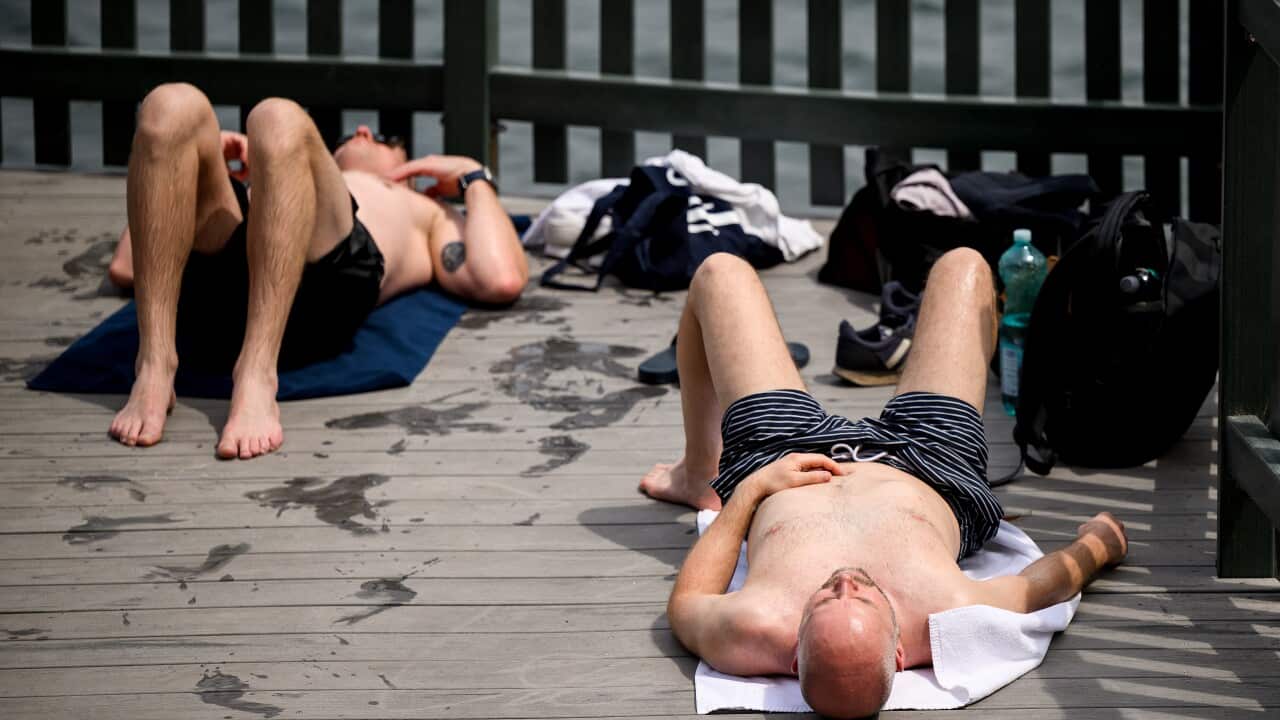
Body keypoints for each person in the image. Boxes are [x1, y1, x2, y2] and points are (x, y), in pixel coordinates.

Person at [640, 250, 1128, 718]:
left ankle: (696, 472)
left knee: (718, 273)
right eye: (862, 599)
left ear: (795, 655)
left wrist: (751, 490)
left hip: (782, 460)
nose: (846, 582)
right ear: (898, 651)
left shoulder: (755, 629)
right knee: (965, 266)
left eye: (827, 600)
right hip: (931, 462)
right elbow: (1037, 587)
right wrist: (1099, 546)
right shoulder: (946, 609)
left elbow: (687, 604)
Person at [105, 83, 527, 459]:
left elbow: (500, 277)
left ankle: (256, 374)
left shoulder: (425, 208)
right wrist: (199, 158)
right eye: (351, 134)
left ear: (412, 171)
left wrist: (474, 178)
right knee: (170, 104)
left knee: (276, 115)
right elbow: (128, 266)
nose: (363, 131)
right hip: (226, 278)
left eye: (385, 137)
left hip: (328, 286)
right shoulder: (268, 172)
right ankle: (155, 364)